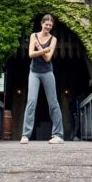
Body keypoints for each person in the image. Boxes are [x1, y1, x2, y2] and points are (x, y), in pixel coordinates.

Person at [20, 14, 64, 144]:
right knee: (31, 101)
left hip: (47, 72)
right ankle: (25, 135)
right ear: (42, 23)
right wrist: (43, 49)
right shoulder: (34, 35)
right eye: (46, 24)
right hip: (34, 72)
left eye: (50, 25)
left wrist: (39, 49)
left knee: (53, 103)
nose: (48, 27)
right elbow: (30, 54)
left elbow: (48, 58)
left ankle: (58, 135)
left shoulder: (53, 39)